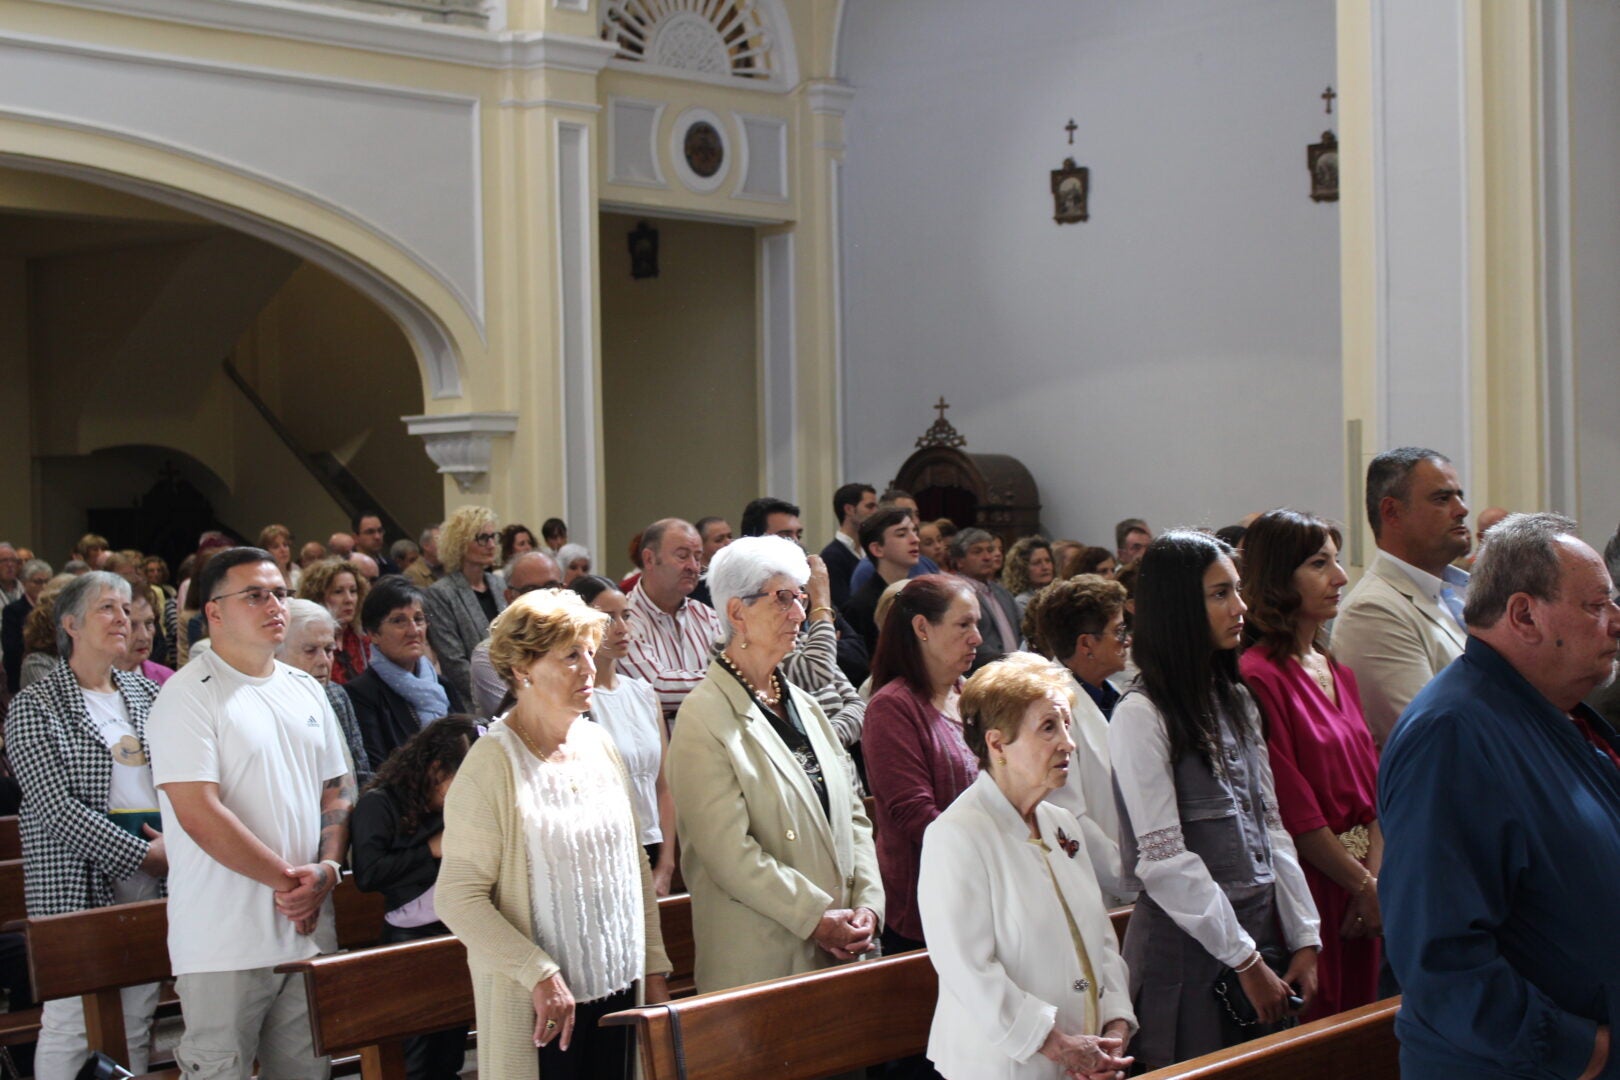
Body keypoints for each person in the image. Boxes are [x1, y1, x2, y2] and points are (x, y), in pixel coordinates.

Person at [1379, 513, 1620, 1079]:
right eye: (1596, 606)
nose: (1615, 622)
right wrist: (1580, 1051)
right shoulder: (1452, 735)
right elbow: (1438, 954)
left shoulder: (1547, 713)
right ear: (1524, 615)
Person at [436, 589, 670, 1080]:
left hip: (620, 989)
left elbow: (633, 868)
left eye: (590, 651)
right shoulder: (491, 763)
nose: (589, 668)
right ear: (523, 668)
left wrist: (653, 967)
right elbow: (458, 898)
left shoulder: (599, 743)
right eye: (570, 656)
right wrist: (536, 971)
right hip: (541, 1006)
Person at [1108, 531, 1320, 1069]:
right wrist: (1244, 958)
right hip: (1188, 952)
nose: (1241, 607)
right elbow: (1163, 859)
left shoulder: (1237, 700)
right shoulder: (1141, 713)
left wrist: (1303, 937)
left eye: (1238, 590)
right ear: (1179, 607)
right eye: (1220, 594)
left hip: (1259, 936)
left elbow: (1271, 828)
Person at [148, 547, 355, 1079]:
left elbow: (337, 789)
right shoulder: (186, 696)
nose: (275, 605)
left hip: (307, 934)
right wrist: (293, 883)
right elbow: (199, 812)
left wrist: (326, 872)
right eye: (256, 595)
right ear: (214, 611)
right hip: (224, 941)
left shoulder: (306, 688)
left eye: (281, 593)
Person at [666, 536, 884, 992]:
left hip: (844, 945)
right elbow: (729, 854)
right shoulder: (703, 718)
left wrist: (868, 905)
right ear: (736, 612)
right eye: (783, 598)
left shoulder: (805, 704)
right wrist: (817, 917)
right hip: (765, 957)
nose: (800, 614)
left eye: (801, 598)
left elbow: (855, 816)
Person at [918, 654, 1137, 1080]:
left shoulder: (1062, 822)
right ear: (998, 744)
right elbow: (968, 970)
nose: (1068, 744)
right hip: (1004, 1068)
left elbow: (1101, 938)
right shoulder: (956, 834)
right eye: (1049, 728)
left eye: (1067, 726)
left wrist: (1114, 1026)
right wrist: (1058, 1046)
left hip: (1085, 1059)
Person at [5, 571, 167, 1079]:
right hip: (76, 873)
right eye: (108, 609)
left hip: (155, 872)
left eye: (127, 609)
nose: (123, 619)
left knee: (138, 1013)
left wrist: (173, 845)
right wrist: (143, 854)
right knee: (73, 1019)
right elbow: (55, 807)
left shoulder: (145, 693)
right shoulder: (36, 704)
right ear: (70, 623)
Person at [1238, 510, 1382, 1020]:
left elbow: (1374, 792)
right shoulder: (1257, 676)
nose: (1340, 578)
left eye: (1337, 562)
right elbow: (1294, 810)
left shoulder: (1338, 671)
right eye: (1320, 564)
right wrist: (1361, 886)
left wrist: (1374, 883)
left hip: (1365, 884)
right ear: (1279, 578)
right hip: (1313, 885)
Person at [350, 716, 479, 1079]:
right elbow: (369, 874)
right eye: (461, 782)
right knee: (415, 1061)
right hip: (408, 941)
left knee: (449, 1052)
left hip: (453, 932)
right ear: (436, 770)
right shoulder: (380, 803)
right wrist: (431, 850)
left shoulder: (451, 808)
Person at [862, 575, 982, 956]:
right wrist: (991, 852)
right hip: (928, 909)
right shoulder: (892, 707)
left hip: (984, 896)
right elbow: (914, 814)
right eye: (964, 625)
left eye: (977, 624)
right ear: (922, 628)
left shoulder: (971, 694)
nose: (976, 637)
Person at [1330, 446, 1470, 746]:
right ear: (1392, 512)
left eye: (1460, 495)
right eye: (1442, 499)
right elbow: (1431, 738)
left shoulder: (1467, 591)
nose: (1461, 509)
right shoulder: (1372, 612)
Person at [1025, 576, 1136, 906]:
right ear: (1086, 644)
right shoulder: (1051, 711)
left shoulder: (1115, 695)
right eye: (1118, 631)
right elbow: (1069, 817)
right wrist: (1130, 881)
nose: (1126, 640)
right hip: (1102, 890)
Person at [571, 576, 678, 896]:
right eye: (608, 619)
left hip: (653, 842)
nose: (621, 628)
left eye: (625, 616)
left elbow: (664, 785)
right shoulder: (576, 700)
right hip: (605, 852)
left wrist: (667, 863)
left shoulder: (644, 693)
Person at [347, 576, 466, 769]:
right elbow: (379, 770)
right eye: (399, 621)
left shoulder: (443, 686)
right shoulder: (361, 694)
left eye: (419, 619)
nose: (413, 630)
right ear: (373, 634)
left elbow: (471, 744)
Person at [619, 518, 723, 724]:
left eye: (698, 557)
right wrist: (728, 682)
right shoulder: (624, 620)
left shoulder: (707, 615)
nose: (693, 567)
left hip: (710, 746)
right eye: (683, 556)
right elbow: (655, 688)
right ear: (649, 559)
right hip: (659, 751)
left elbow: (731, 666)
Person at [276, 599, 373, 787]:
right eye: (310, 651)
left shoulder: (336, 695)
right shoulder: (263, 705)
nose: (324, 661)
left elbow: (360, 771)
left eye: (329, 650)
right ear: (275, 653)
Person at [423, 506, 506, 709]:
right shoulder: (441, 592)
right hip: (472, 702)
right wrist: (498, 696)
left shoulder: (498, 584)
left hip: (512, 689)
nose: (491, 544)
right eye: (482, 538)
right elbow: (454, 662)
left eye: (493, 536)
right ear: (460, 544)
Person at [469, 551, 562, 718]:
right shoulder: (489, 655)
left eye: (551, 587)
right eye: (531, 590)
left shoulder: (578, 645)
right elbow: (521, 718)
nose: (544, 597)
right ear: (510, 597)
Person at [841, 505, 922, 656]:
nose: (915, 539)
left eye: (914, 531)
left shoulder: (918, 594)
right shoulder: (862, 606)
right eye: (902, 534)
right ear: (877, 549)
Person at [952, 528, 1021, 668]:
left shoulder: (1002, 592)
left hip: (1015, 673)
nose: (987, 557)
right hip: (980, 675)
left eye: (990, 550)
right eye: (977, 552)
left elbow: (1021, 630)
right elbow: (971, 643)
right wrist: (1009, 664)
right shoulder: (955, 595)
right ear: (960, 561)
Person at [296, 558, 370, 686]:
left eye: (353, 591)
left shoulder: (363, 641)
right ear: (317, 597)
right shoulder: (306, 645)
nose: (349, 599)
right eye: (338, 592)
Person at [821, 482, 878, 609]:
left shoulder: (869, 550)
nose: (876, 512)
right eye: (870, 506)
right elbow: (842, 606)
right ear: (849, 510)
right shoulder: (831, 556)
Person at [4, 557, 52, 693]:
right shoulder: (13, 610)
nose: (43, 586)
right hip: (22, 671)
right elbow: (11, 649)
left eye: (47, 581)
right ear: (24, 583)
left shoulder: (53, 608)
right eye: (37, 582)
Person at [115, 584, 175, 688]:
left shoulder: (167, 679)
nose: (145, 636)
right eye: (131, 625)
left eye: (149, 623)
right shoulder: (85, 683)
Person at [1003, 537, 1056, 619]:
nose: (1045, 567)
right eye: (1036, 563)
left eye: (1048, 561)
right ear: (1022, 568)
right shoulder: (1023, 602)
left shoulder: (1058, 594)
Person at [354, 512, 399, 577]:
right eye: (370, 532)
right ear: (356, 538)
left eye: (380, 531)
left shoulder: (391, 566)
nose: (377, 537)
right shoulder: (348, 568)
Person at [259, 525, 300, 589]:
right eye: (276, 546)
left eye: (285, 545)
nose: (283, 550)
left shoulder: (298, 575)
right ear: (266, 552)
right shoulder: (262, 579)